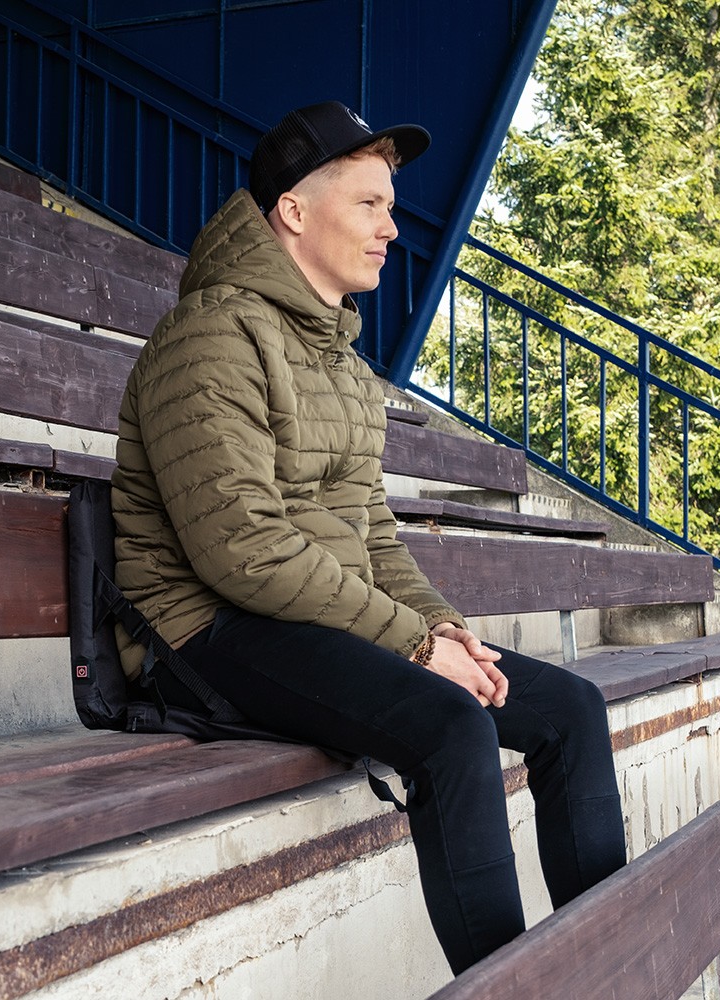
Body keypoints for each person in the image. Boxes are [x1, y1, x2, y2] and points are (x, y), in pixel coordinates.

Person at [111, 100, 626, 976]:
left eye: (391, 206)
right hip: (202, 632)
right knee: (452, 726)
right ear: (294, 211)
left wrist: (444, 628)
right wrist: (415, 647)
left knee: (568, 711)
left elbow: (373, 534)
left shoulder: (341, 364)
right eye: (370, 205)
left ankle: (609, 974)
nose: (392, 227)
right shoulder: (209, 335)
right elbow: (242, 550)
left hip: (306, 620)